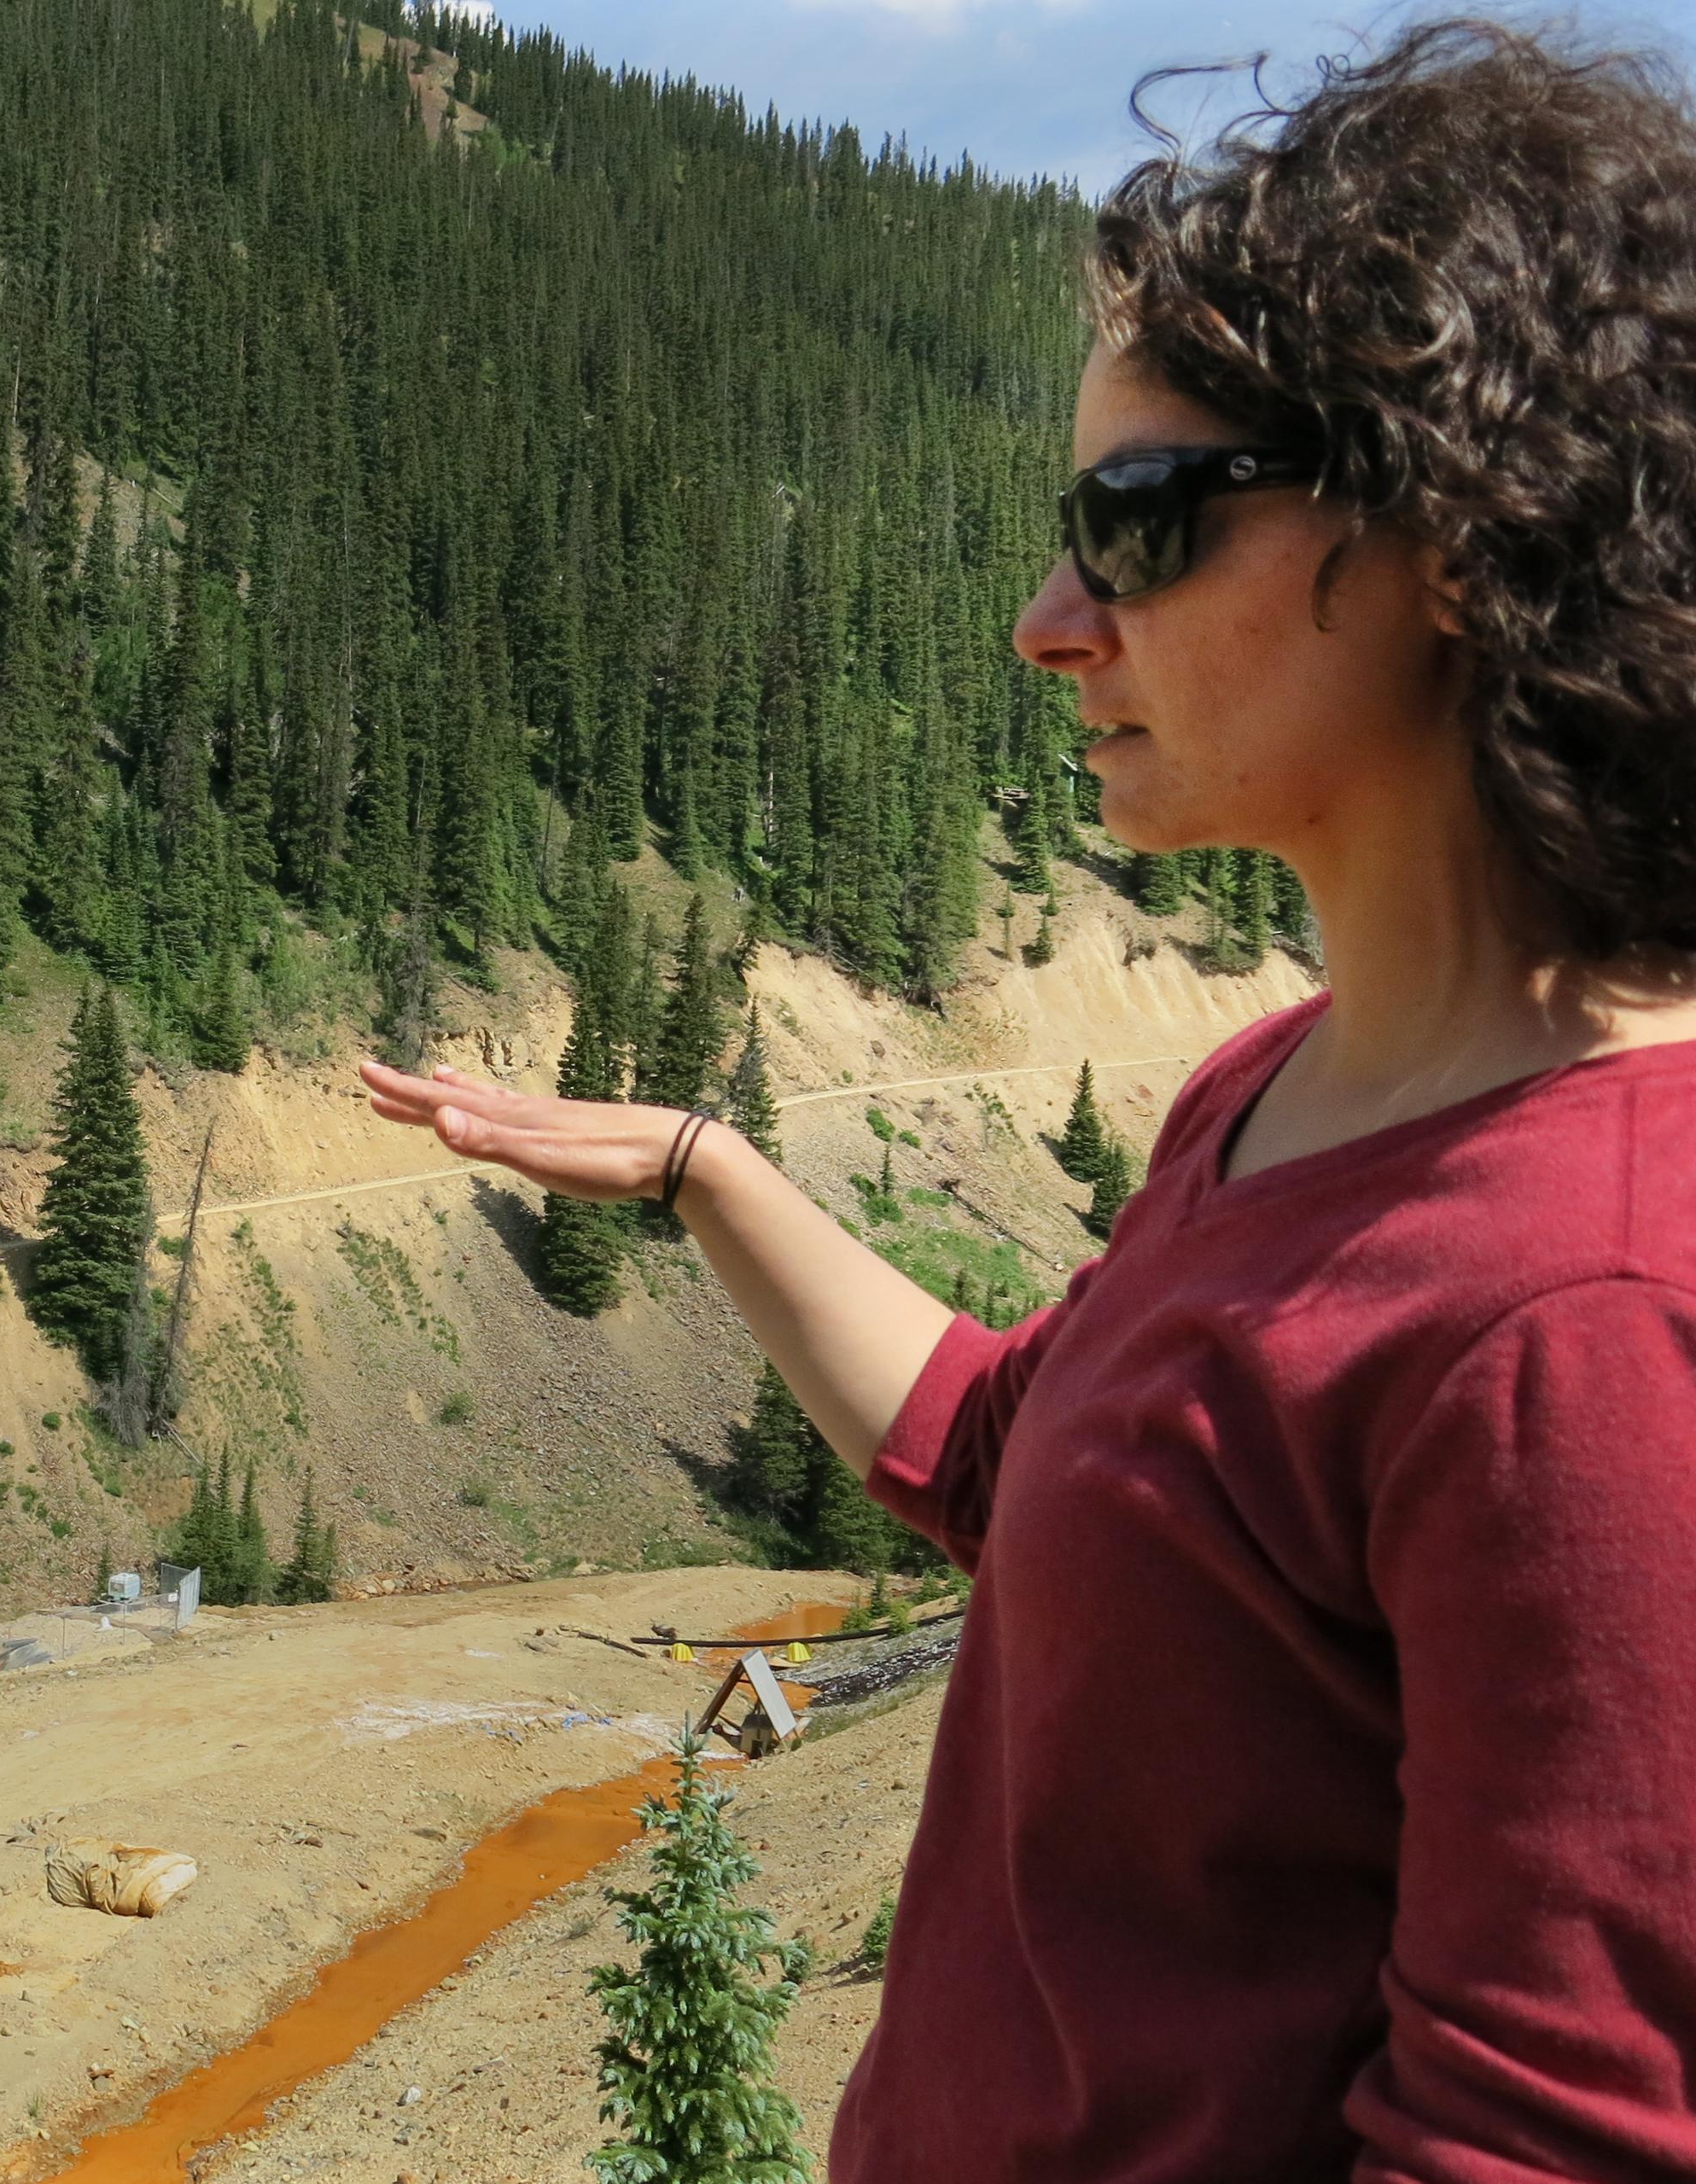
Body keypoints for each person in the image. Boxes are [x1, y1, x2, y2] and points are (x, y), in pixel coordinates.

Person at [361, 21, 1696, 2181]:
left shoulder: (1596, 1307)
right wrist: (706, 1170)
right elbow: (1021, 1455)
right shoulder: (1284, 1092)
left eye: (1136, 524)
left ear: (1462, 531)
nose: (1047, 619)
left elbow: (1545, 2141)